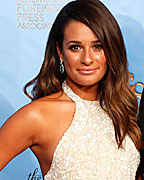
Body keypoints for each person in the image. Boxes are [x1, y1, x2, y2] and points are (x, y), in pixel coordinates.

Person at [0, 0, 142, 179]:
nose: (87, 59)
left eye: (97, 47)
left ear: (111, 50)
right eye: (75, 47)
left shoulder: (121, 109)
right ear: (60, 52)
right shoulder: (38, 115)